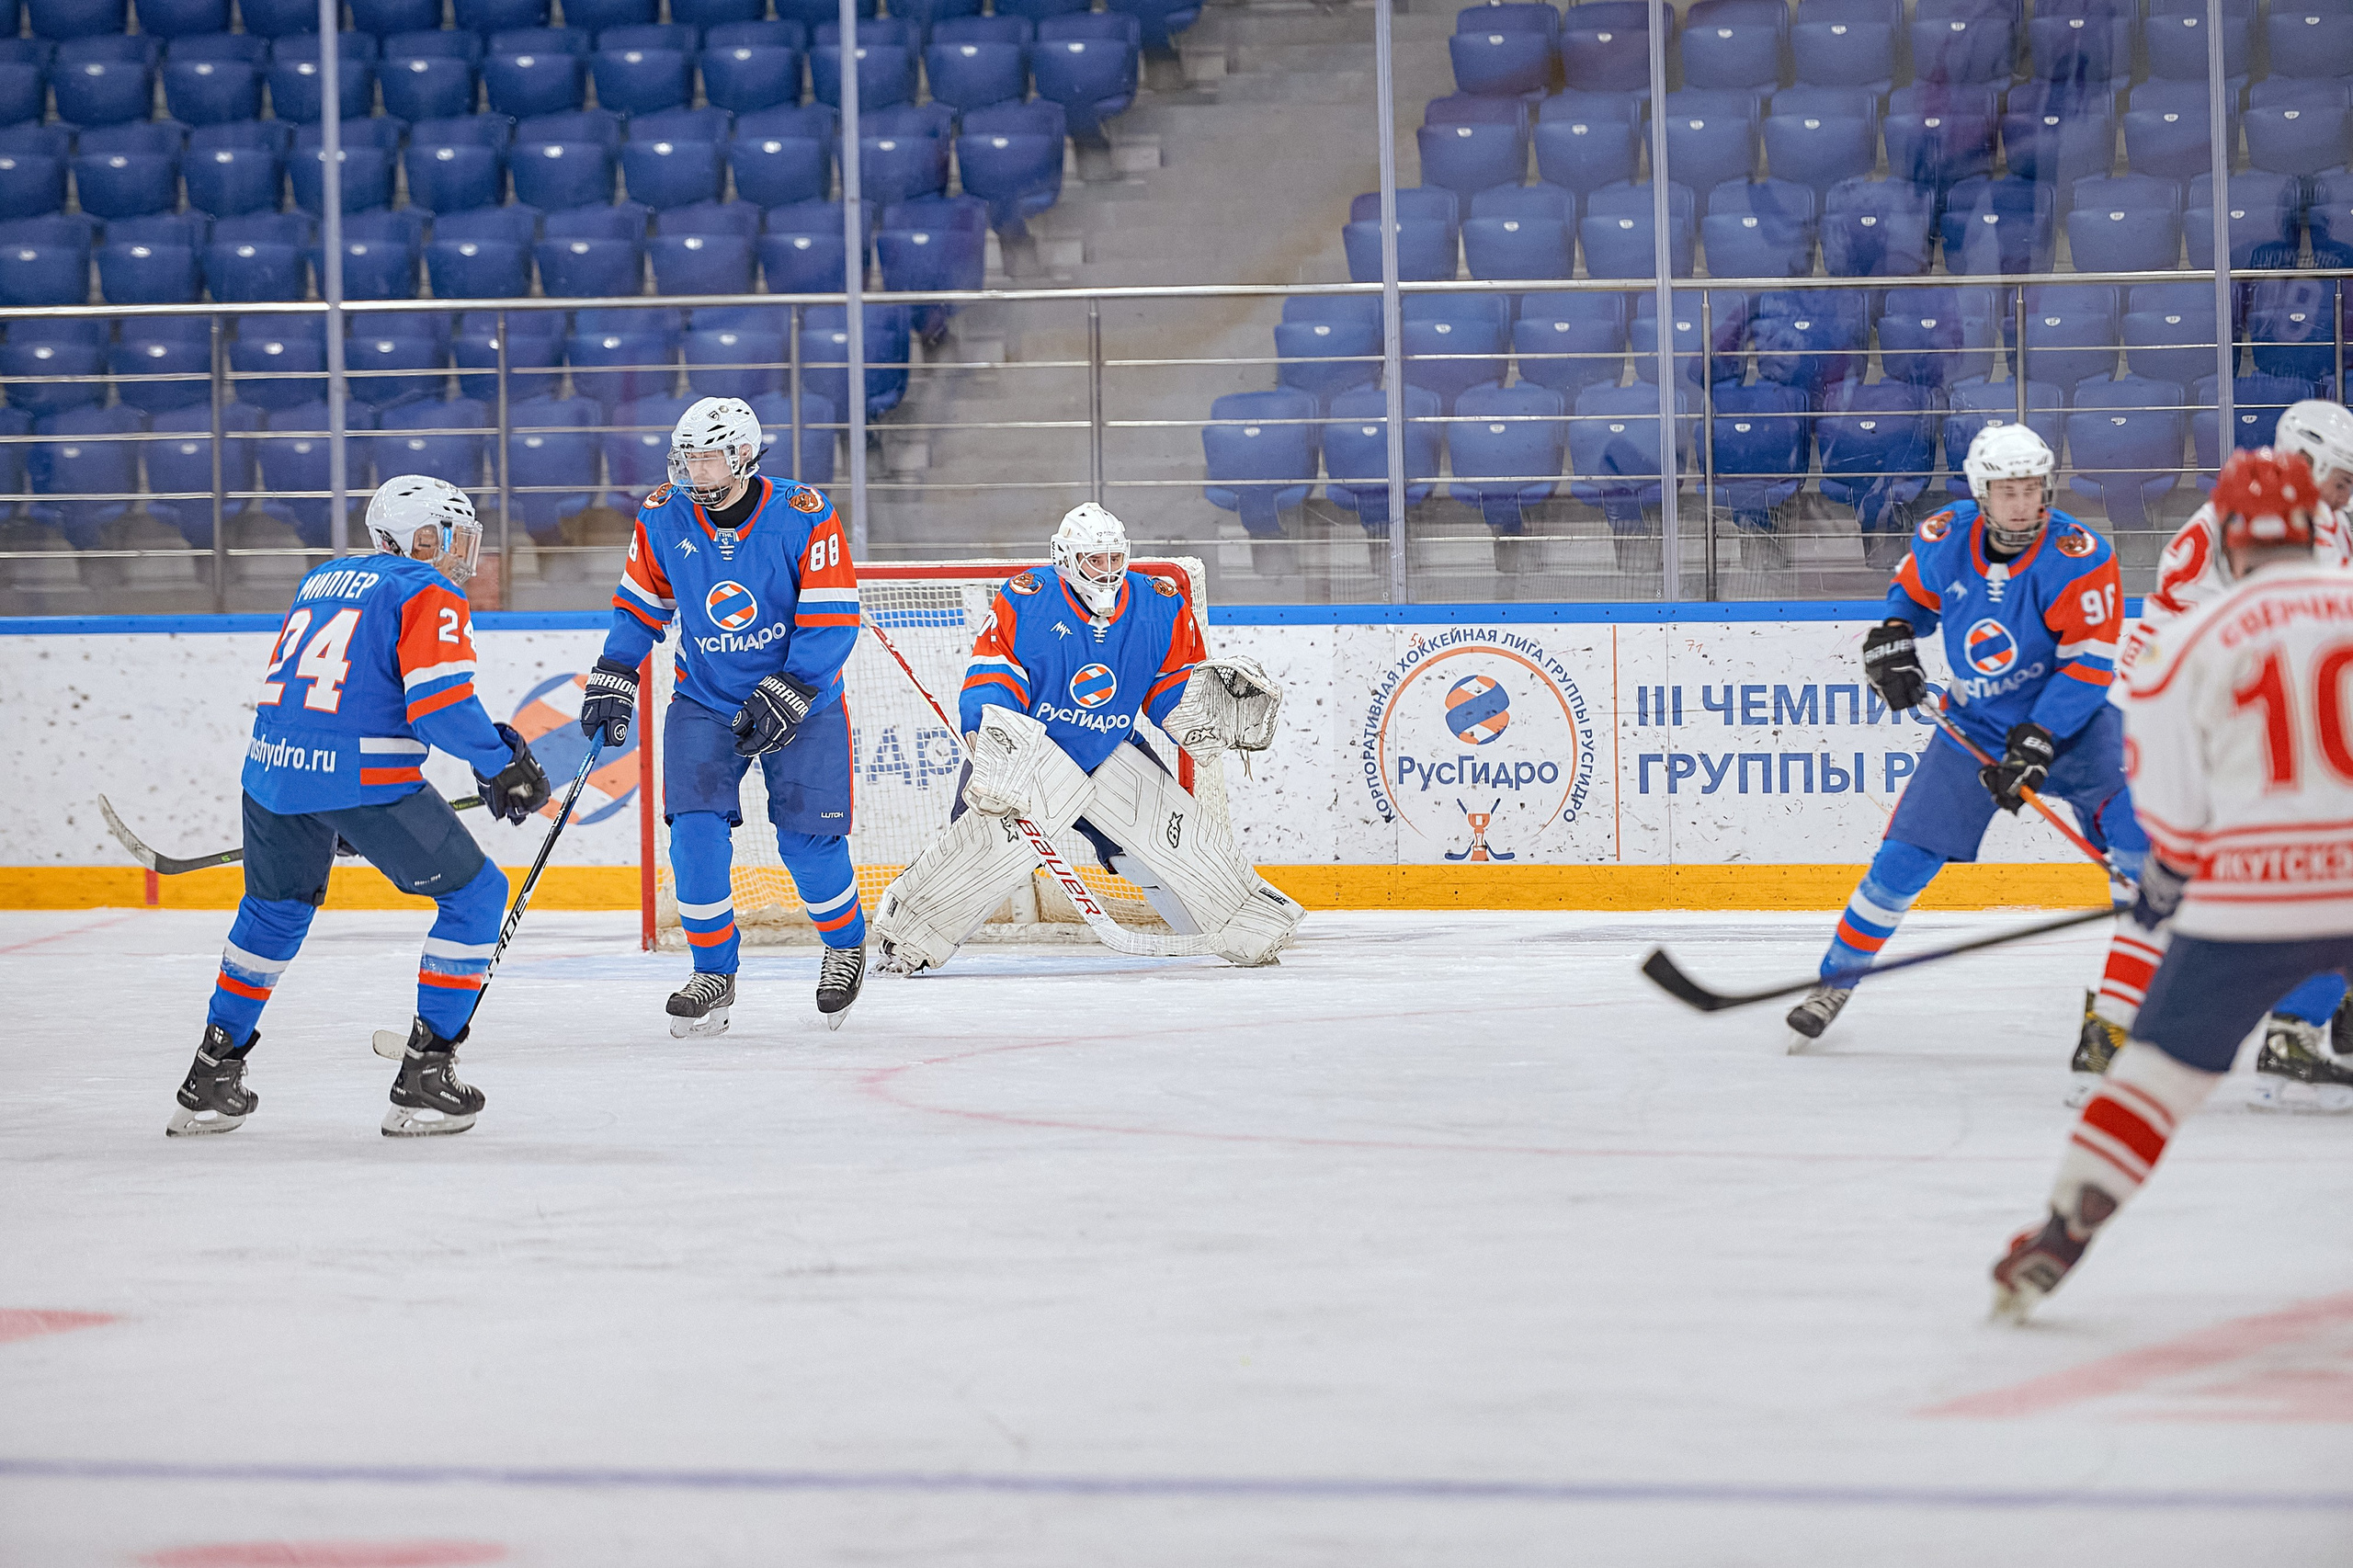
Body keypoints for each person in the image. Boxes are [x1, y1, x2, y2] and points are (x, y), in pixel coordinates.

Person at [1993, 449, 2349, 1320]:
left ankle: (2062, 1232)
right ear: (2316, 525)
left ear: (2227, 536)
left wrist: (2167, 880)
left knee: (2154, 1078)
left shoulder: (2183, 639)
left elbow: (2176, 816)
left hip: (2247, 905)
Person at [166, 476, 552, 1140]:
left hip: (274, 775)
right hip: (361, 777)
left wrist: (327, 815)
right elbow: (438, 707)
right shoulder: (426, 590)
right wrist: (504, 766)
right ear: (423, 538)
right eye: (453, 536)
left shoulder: (323, 579)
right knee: (479, 897)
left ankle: (210, 1076)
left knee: (273, 914)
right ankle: (425, 1080)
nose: (464, 552)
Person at [1786, 424, 2153, 1084]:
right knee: (1901, 862)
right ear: (1983, 492)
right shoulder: (1943, 536)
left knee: (2138, 848)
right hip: (1976, 726)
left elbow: (2090, 665)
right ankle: (1834, 981)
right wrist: (1895, 638)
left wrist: (2040, 740)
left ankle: (2128, 1004)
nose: (2021, 503)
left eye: (2032, 489)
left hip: (2074, 726)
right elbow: (1912, 603)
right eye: (2007, 491)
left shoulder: (2080, 553)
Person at [871, 503, 1304, 971]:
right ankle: (908, 942)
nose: (1107, 571)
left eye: (1115, 559)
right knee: (977, 853)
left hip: (1108, 750)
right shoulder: (1028, 597)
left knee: (1164, 848)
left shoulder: (1158, 602)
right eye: (1094, 561)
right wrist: (986, 732)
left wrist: (1199, 715)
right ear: (1064, 558)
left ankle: (1244, 929)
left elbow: (1169, 683)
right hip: (1027, 755)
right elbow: (996, 672)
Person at [2089, 401, 2353, 1108]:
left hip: (2199, 715)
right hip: (2195, 719)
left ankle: (2132, 1036)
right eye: (2341, 478)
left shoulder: (2306, 523)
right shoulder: (2289, 533)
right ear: (2304, 465)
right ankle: (2121, 1032)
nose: (2346, 492)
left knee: (2181, 893)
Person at [577, 396, 866, 1035]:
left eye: (707, 460)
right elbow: (640, 603)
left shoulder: (803, 515)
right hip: (705, 699)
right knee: (695, 835)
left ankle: (845, 947)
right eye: (686, 460)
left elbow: (834, 615)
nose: (692, 473)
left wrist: (794, 685)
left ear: (742, 455)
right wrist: (616, 669)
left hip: (803, 702)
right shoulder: (662, 515)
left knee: (807, 846)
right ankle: (713, 969)